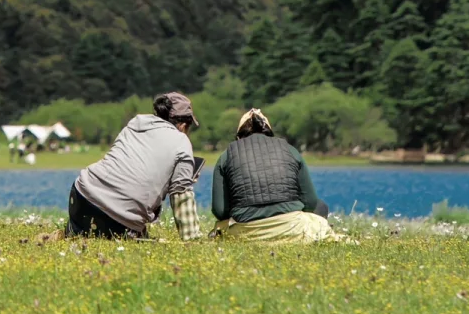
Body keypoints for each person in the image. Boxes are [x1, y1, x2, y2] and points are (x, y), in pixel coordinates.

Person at [66, 92, 202, 240]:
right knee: (132, 238)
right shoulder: (181, 142)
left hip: (81, 195)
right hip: (118, 217)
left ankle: (72, 232)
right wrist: (191, 239)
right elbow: (181, 193)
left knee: (81, 233)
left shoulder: (134, 125)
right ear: (183, 126)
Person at [211, 108, 333, 243]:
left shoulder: (226, 156)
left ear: (239, 136)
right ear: (269, 133)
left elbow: (219, 211)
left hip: (246, 233)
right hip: (293, 229)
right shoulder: (290, 150)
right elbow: (311, 202)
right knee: (321, 206)